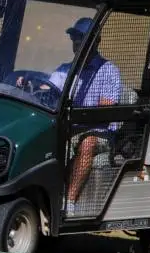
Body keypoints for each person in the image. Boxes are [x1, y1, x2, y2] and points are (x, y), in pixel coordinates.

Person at [48, 17, 122, 216]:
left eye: (81, 38)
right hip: (69, 128)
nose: (77, 43)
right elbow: (48, 92)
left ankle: (69, 202)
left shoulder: (108, 71)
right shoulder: (65, 70)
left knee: (87, 143)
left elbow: (105, 109)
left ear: (95, 41)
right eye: (75, 38)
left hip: (100, 132)